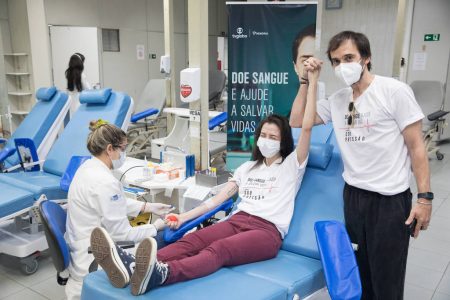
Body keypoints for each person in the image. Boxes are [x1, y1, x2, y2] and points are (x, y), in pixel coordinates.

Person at [89, 62, 320, 295]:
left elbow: (307, 127)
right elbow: (215, 202)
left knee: (218, 250)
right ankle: (133, 266)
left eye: (273, 136)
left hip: (266, 232)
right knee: (194, 240)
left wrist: (309, 83)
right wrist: (182, 217)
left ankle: (162, 273)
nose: (267, 139)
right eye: (263, 134)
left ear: (283, 142)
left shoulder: (292, 165)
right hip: (236, 221)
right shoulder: (248, 168)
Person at [290, 31, 431, 300]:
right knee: (359, 276)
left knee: (386, 281)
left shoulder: (394, 91)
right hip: (353, 199)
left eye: (349, 58)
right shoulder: (338, 100)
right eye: (336, 61)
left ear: (366, 58)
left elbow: (417, 148)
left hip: (390, 202)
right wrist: (304, 81)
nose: (343, 66)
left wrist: (425, 199)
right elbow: (296, 120)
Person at [64, 119, 173, 300]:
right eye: (122, 149)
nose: (124, 153)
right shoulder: (105, 182)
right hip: (95, 255)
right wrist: (156, 226)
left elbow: (111, 203)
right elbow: (122, 234)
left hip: (80, 244)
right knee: (164, 239)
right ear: (109, 149)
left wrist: (147, 206)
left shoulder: (87, 167)